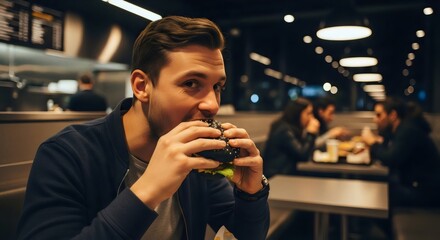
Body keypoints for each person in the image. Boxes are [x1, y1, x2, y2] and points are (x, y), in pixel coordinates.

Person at [17, 16, 269, 239]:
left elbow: (246, 234)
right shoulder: (67, 154)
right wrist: (149, 189)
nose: (212, 105)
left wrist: (251, 194)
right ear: (141, 86)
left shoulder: (197, 157)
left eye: (217, 87)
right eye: (191, 83)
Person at [361, 97, 440, 208]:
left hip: (425, 193)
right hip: (416, 185)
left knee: (375, 192)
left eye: (379, 115)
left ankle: (366, 224)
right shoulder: (401, 129)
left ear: (393, 115)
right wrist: (377, 141)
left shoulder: (408, 130)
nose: (375, 119)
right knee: (375, 185)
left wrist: (372, 143)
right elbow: (388, 148)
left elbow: (391, 159)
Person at [263, 97, 320, 178]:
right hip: (277, 178)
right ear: (297, 113)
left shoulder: (291, 127)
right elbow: (303, 155)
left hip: (285, 176)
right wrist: (310, 134)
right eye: (308, 113)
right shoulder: (284, 130)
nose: (311, 118)